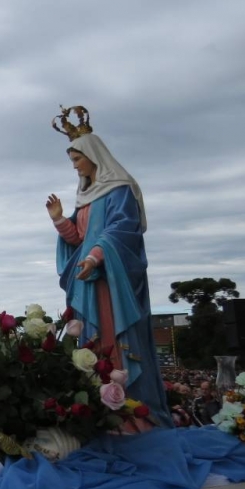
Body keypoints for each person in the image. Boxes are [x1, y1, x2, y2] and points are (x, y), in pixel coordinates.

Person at [45, 106, 171, 426]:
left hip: (112, 281)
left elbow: (121, 230)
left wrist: (94, 257)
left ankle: (131, 416)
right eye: (72, 161)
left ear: (93, 156)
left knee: (115, 341)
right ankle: (100, 413)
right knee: (93, 344)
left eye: (77, 159)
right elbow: (79, 239)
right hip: (90, 280)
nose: (75, 166)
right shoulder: (87, 197)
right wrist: (60, 219)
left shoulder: (119, 190)